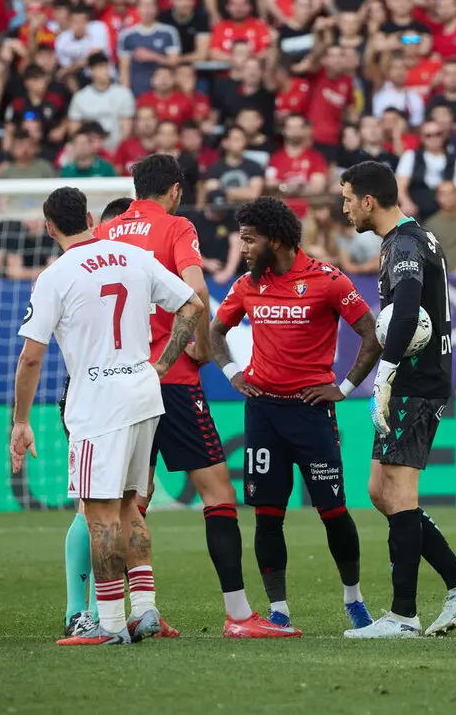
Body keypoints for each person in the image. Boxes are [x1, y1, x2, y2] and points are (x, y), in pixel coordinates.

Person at [10, 186, 203, 646]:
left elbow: (31, 358)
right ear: (92, 217)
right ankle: (147, 610)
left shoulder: (55, 276)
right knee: (130, 509)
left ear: (49, 227)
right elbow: (193, 304)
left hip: (98, 403)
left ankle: (111, 626)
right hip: (143, 393)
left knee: (99, 515)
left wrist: (20, 421)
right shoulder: (130, 255)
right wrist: (160, 365)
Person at [91, 154, 271, 638]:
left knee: (128, 501)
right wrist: (201, 349)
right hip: (169, 380)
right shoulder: (176, 227)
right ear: (173, 190)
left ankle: (124, 609)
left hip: (115, 384)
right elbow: (195, 294)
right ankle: (238, 615)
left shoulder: (104, 234)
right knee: (218, 494)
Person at [209, 197, 383, 633]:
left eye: (249, 239)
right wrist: (232, 371)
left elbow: (371, 333)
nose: (243, 247)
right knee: (268, 516)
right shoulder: (249, 284)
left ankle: (354, 600)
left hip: (311, 413)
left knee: (334, 512)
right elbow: (214, 330)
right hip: (263, 413)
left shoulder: (326, 279)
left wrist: (342, 388)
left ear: (277, 239)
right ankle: (279, 611)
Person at [339, 160, 456, 639]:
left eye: (347, 199)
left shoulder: (404, 242)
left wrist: (384, 373)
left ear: (368, 200)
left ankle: (403, 615)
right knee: (381, 491)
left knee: (399, 495)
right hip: (416, 379)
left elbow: (406, 312)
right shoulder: (412, 238)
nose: (344, 209)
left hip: (415, 381)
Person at [59, 197, 134, 637]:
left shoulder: (128, 265)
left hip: (132, 394)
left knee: (126, 508)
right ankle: (78, 611)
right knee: (92, 506)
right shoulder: (82, 270)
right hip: (91, 395)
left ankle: (136, 606)